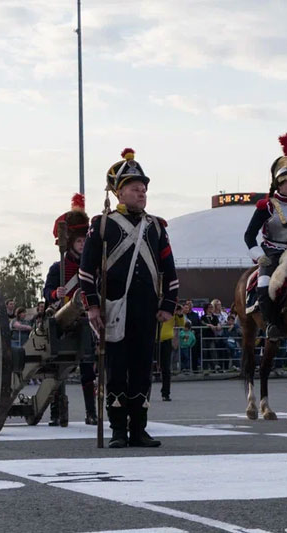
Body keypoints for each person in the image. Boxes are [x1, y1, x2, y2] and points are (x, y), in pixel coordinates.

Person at [81, 148, 178, 448]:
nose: (142, 192)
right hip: (114, 308)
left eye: (144, 188)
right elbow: (86, 271)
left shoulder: (156, 228)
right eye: (135, 188)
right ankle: (118, 430)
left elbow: (169, 270)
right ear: (118, 192)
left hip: (146, 308)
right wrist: (93, 305)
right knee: (117, 368)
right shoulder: (102, 225)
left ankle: (139, 428)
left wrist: (167, 305)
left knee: (141, 368)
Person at [243, 133, 287, 340]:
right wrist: (259, 256)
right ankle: (271, 324)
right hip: (272, 253)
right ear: (280, 183)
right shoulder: (265, 206)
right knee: (264, 284)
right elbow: (249, 235)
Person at [45, 193, 98, 426]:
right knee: (56, 365)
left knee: (88, 364)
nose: (82, 245)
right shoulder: (59, 268)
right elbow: (47, 295)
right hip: (61, 320)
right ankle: (56, 411)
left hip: (85, 321)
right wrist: (56, 293)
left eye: (85, 242)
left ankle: (91, 412)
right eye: (79, 242)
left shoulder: (93, 268)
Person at [158, 301, 185, 401]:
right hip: (154, 340)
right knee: (147, 367)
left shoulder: (172, 311)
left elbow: (182, 324)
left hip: (166, 340)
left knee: (166, 368)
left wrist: (180, 314)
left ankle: (165, 393)